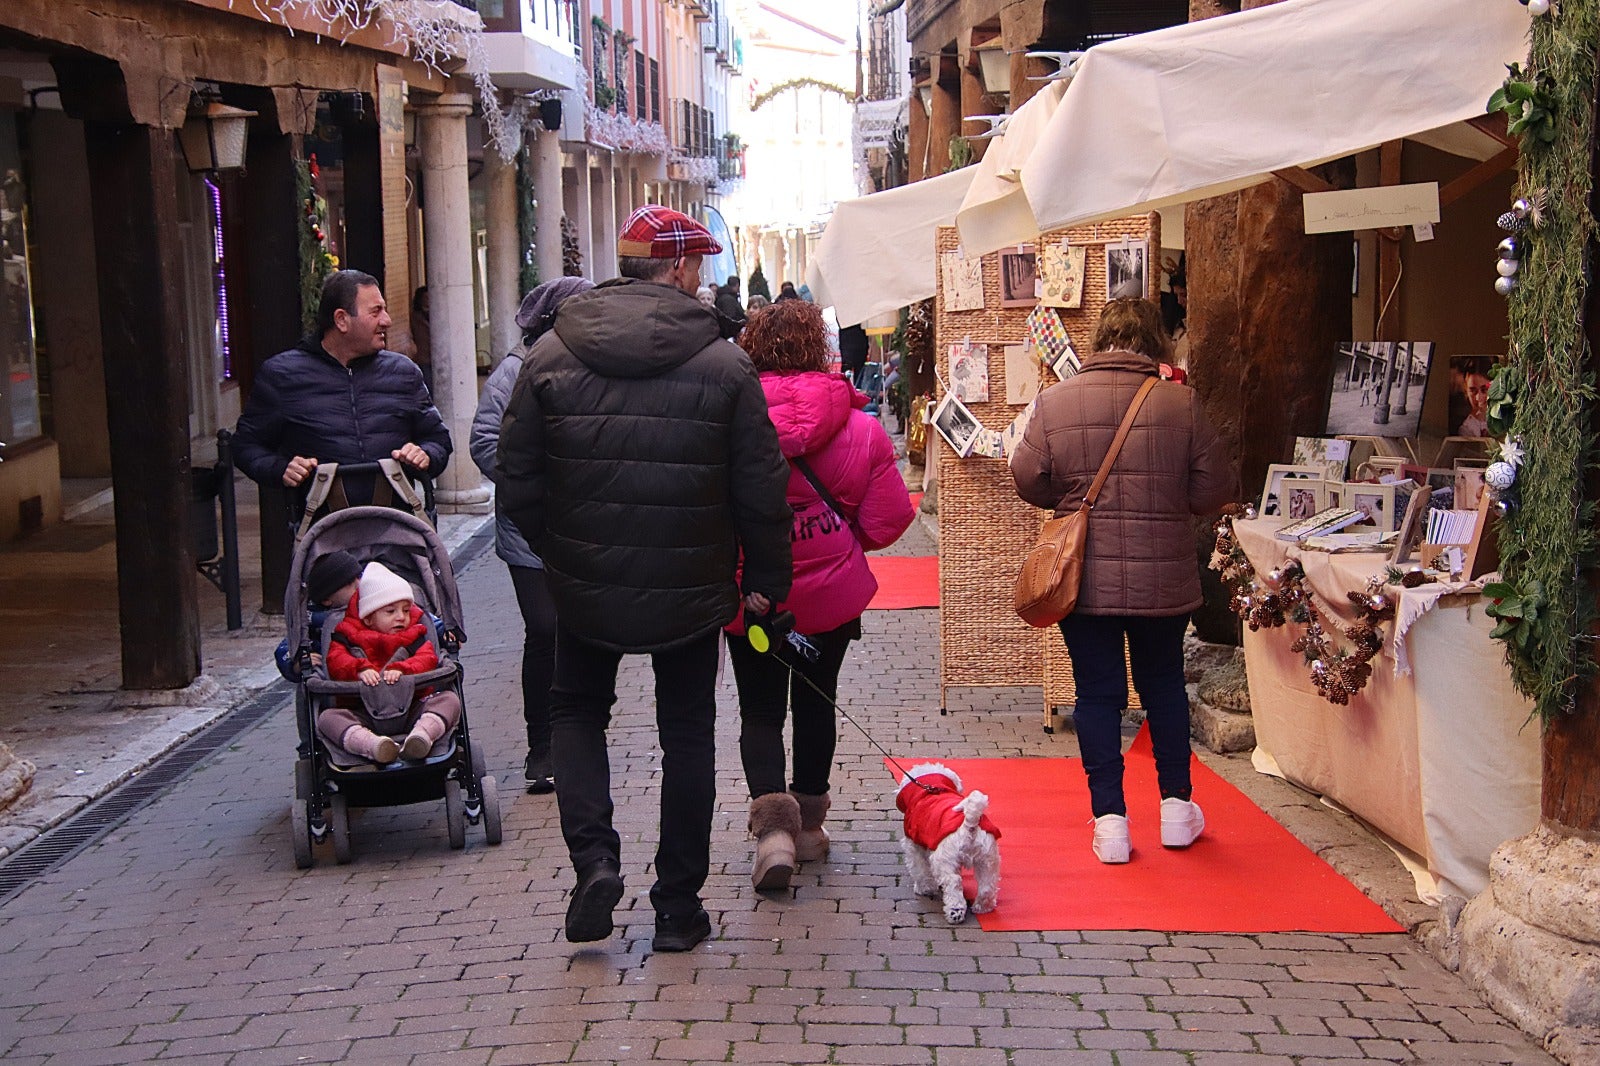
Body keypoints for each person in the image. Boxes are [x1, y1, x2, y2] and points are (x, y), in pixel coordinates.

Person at [497, 204, 793, 952]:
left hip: (585, 580)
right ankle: (676, 905)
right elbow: (761, 488)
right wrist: (764, 579)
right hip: (691, 583)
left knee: (575, 714)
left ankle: (594, 860)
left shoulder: (551, 356)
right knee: (688, 732)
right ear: (684, 268)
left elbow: (516, 478)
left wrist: (556, 552)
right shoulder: (726, 365)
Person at [1009, 297, 1235, 865]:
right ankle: (1177, 810)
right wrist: (1167, 501)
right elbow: (1214, 489)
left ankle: (1110, 822)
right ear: (1154, 342)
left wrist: (1070, 499)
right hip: (1164, 579)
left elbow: (1026, 476)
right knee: (1162, 685)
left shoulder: (1056, 401)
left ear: (1099, 339)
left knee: (1096, 693)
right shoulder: (1181, 403)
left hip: (1085, 580)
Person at [727, 300, 915, 891]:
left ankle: (773, 835)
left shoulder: (729, 425)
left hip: (752, 595)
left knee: (759, 710)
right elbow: (888, 522)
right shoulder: (859, 427)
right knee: (817, 701)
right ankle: (808, 829)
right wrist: (840, 539)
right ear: (820, 349)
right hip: (829, 600)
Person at [470, 276, 594, 795]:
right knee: (545, 630)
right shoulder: (513, 372)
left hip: (587, 529)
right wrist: (536, 483)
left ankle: (580, 742)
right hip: (530, 530)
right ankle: (541, 745)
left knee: (583, 634)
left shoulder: (596, 365)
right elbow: (483, 442)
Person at [234, 270, 452, 511]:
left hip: (397, 529)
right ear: (341, 319)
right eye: (375, 311)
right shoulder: (282, 375)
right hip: (321, 533)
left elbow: (438, 439)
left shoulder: (403, 372)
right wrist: (281, 468)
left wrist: (425, 454)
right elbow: (246, 446)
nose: (387, 321)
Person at [318, 562, 463, 765]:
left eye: (406, 610)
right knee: (327, 719)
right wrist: (359, 668)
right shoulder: (346, 634)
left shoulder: (414, 633)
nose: (401, 617)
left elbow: (427, 658)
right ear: (368, 618)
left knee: (449, 700)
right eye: (391, 612)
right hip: (362, 711)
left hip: (414, 705)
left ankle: (421, 736)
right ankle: (372, 745)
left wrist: (403, 669)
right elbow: (336, 660)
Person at [274, 549, 362, 682]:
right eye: (349, 583)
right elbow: (286, 648)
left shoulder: (373, 607)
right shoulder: (313, 619)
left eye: (359, 577)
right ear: (327, 599)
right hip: (331, 677)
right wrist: (298, 663)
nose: (359, 585)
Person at [409, 285, 433, 392]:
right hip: (423, 356)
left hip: (436, 356)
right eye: (425, 298)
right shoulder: (415, 317)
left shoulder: (436, 314)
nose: (428, 301)